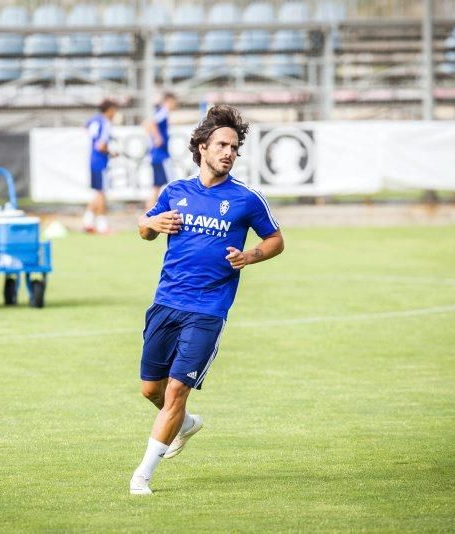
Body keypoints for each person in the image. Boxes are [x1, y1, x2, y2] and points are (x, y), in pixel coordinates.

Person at [130, 105, 285, 495]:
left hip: (208, 310)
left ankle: (142, 475)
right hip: (166, 302)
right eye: (221, 144)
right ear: (201, 147)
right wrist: (151, 224)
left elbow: (275, 240)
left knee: (177, 391)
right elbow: (144, 229)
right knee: (152, 390)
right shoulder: (175, 192)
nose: (228, 152)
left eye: (234, 147)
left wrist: (249, 256)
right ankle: (183, 424)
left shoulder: (246, 199)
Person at [83, 99, 118, 234]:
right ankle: (102, 226)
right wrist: (111, 152)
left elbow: (85, 128)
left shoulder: (94, 120)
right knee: (102, 192)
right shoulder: (105, 123)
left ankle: (88, 222)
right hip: (100, 161)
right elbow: (101, 145)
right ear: (109, 110)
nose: (115, 113)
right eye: (114, 110)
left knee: (98, 192)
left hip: (92, 159)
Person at [143, 92, 178, 209]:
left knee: (156, 186)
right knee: (173, 185)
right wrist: (157, 137)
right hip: (161, 156)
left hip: (157, 155)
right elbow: (150, 123)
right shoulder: (163, 111)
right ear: (169, 100)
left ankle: (149, 212)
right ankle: (175, 210)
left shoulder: (160, 111)